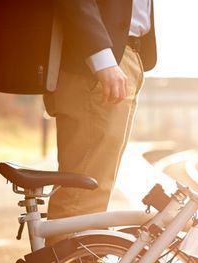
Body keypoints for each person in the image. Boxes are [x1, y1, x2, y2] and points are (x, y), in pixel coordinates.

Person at [44, 0, 156, 221]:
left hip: (124, 54)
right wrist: (102, 59)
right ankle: (70, 256)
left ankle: (78, 256)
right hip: (99, 60)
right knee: (83, 192)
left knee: (94, 189)